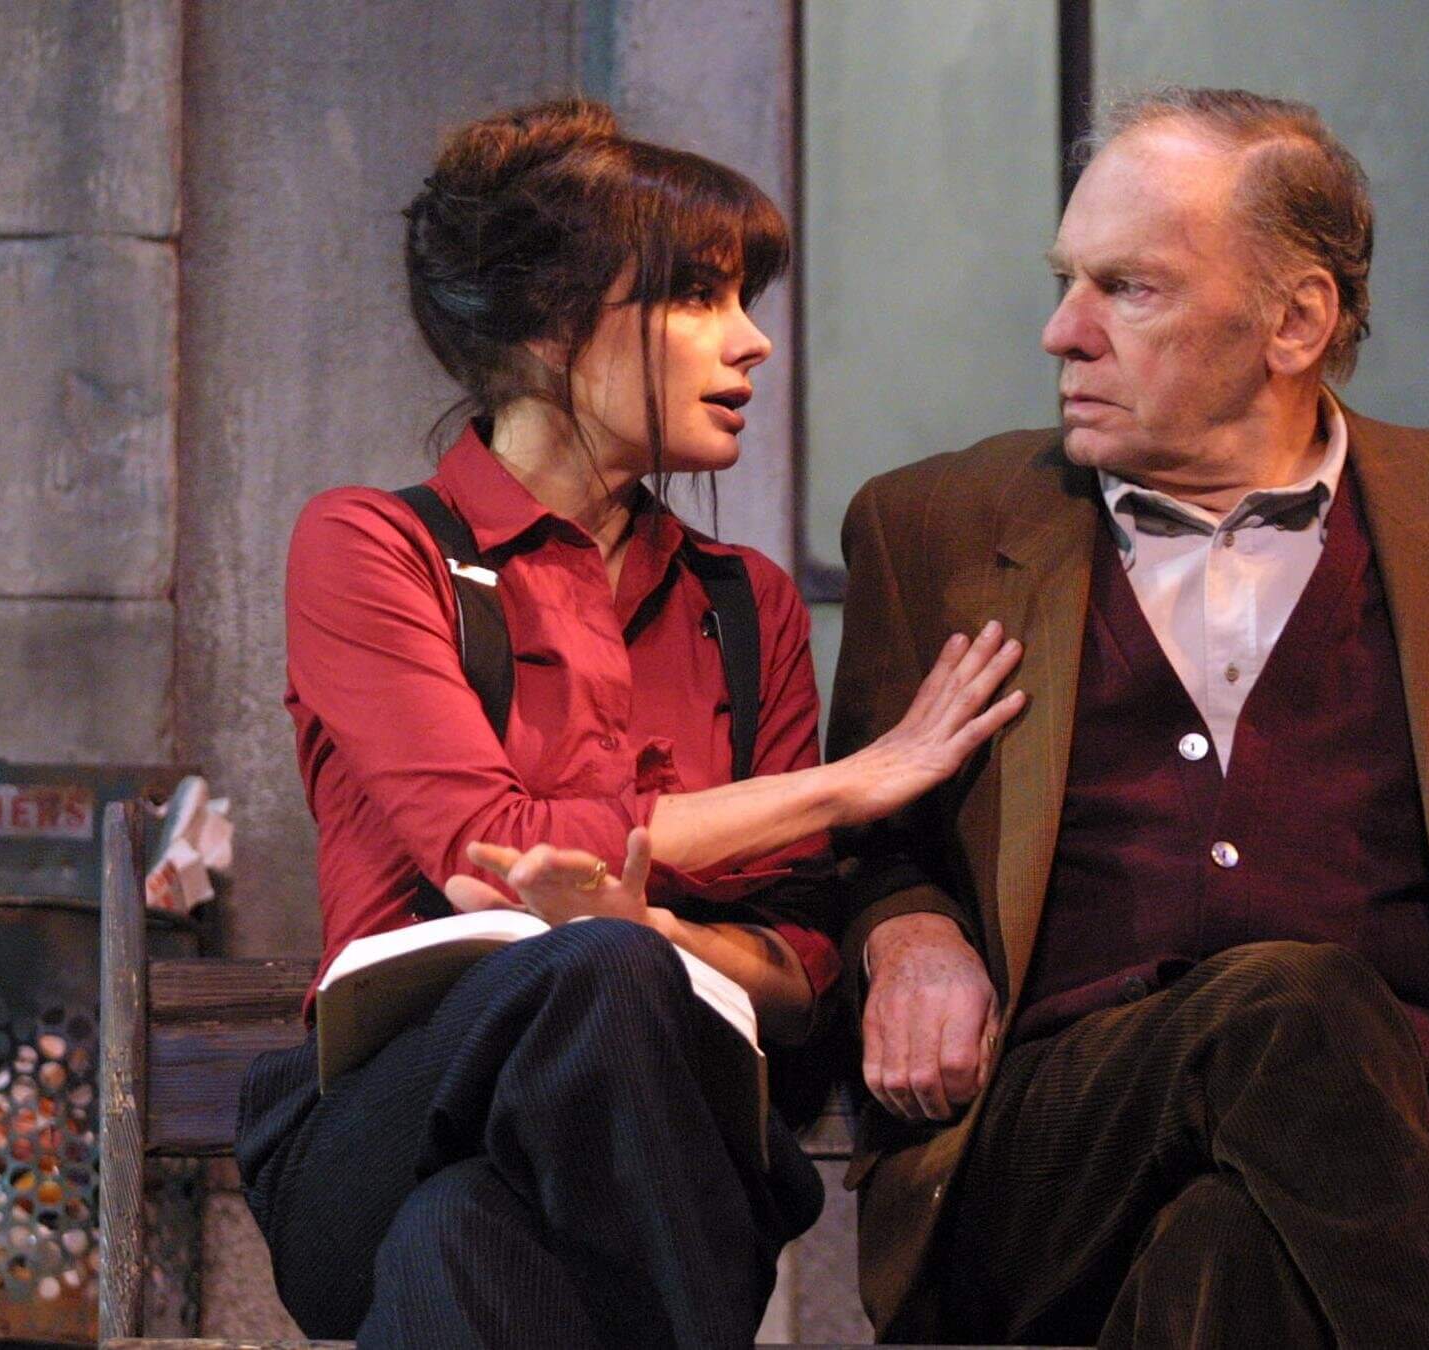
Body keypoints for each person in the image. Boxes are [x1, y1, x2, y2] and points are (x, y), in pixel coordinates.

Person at [828, 87, 1429, 1348]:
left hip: (1404, 1139)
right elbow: (864, 845)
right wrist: (908, 941)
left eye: (1129, 288)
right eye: (1069, 280)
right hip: (1052, 1143)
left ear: (1294, 321)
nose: (1062, 332)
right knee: (1285, 1005)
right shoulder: (929, 526)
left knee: (1226, 1248)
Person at [231, 100, 1024, 1349]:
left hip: (590, 1173)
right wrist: (847, 785)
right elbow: (484, 847)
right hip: (382, 1127)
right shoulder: (375, 547)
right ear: (552, 325)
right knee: (594, 978)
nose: (753, 342)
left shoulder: (742, 601)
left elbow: (805, 967)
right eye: (699, 298)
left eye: (744, 299)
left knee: (464, 1239)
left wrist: (649, 927)